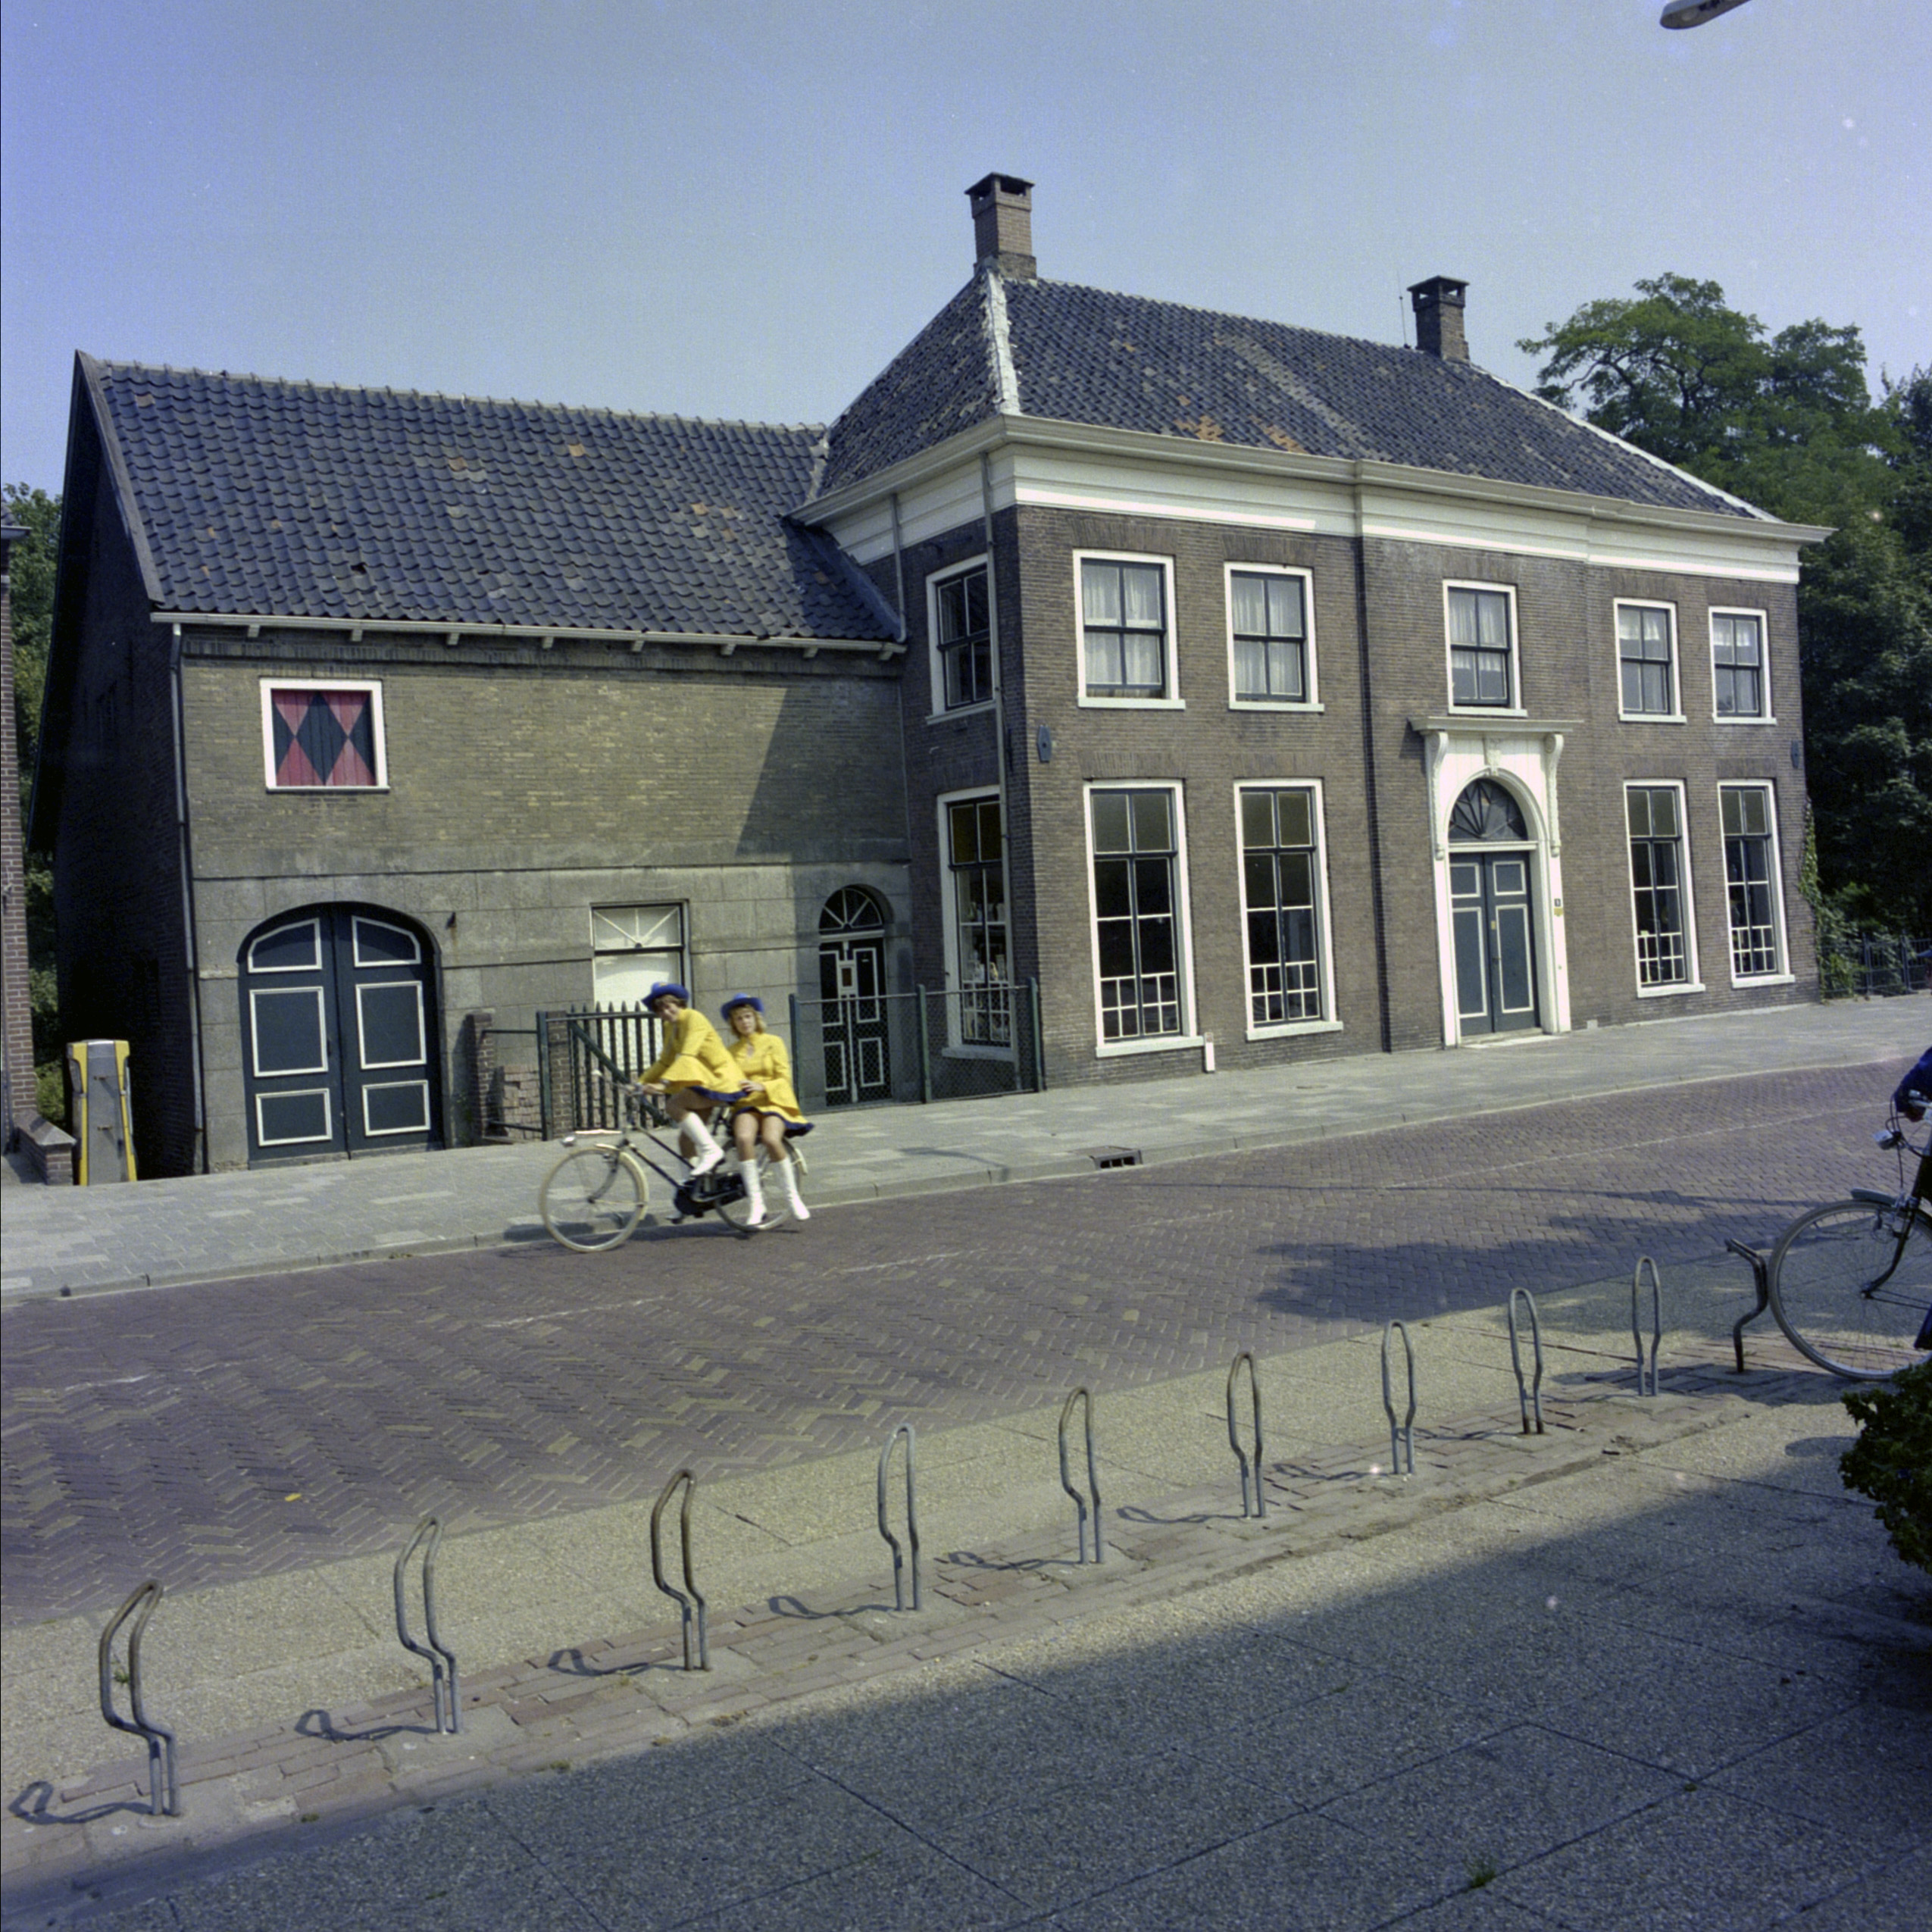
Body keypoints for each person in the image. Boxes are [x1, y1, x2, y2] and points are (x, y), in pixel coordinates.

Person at [634, 983, 747, 1177]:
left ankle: (711, 1150)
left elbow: (688, 1054)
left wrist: (663, 1084)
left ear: (679, 1003)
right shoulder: (671, 1026)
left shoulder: (694, 1018)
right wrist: (640, 1082)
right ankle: (691, 1188)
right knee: (685, 1141)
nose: (666, 1012)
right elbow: (665, 1061)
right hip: (704, 1082)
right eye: (660, 1010)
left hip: (722, 1079)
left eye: (669, 1006)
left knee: (673, 1106)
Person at [721, 995, 813, 1227]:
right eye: (739, 1019)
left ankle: (792, 1198)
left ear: (756, 1018)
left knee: (772, 1139)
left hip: (774, 1101)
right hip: (747, 1104)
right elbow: (728, 1080)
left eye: (748, 1016)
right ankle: (756, 1202)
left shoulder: (774, 1042)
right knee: (743, 1138)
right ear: (734, 1024)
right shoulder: (731, 1051)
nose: (744, 1022)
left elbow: (784, 1078)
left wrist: (762, 1085)